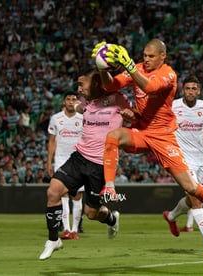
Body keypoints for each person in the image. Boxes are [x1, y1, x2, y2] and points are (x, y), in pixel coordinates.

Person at [91, 39, 203, 237]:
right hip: (142, 131)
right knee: (113, 136)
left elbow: (150, 87)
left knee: (190, 186)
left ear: (162, 56)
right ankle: (109, 187)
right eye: (144, 56)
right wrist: (101, 68)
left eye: (151, 56)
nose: (147, 59)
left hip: (163, 136)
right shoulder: (138, 68)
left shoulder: (168, 74)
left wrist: (131, 66)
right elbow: (111, 86)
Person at [39, 67, 134, 260]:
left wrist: (132, 117)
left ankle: (111, 218)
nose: (78, 89)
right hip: (79, 157)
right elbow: (79, 107)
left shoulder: (118, 100)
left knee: (91, 213)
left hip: (101, 165)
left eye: (82, 85)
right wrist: (74, 107)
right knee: (53, 191)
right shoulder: (86, 102)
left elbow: (138, 118)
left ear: (96, 84)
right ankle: (53, 239)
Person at [161, 74, 203, 254]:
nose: (191, 92)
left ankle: (172, 215)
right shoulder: (173, 106)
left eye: (194, 89)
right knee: (197, 199)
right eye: (188, 88)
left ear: (198, 90)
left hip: (201, 159)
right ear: (183, 90)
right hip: (181, 158)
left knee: (197, 198)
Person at [46, 91, 84, 240]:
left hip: (78, 161)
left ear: (78, 102)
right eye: (68, 99)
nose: (70, 102)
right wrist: (49, 161)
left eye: (74, 99)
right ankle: (66, 229)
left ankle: (75, 230)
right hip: (61, 160)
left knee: (77, 195)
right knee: (62, 194)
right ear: (63, 102)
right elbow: (51, 141)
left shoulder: (83, 118)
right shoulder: (56, 118)